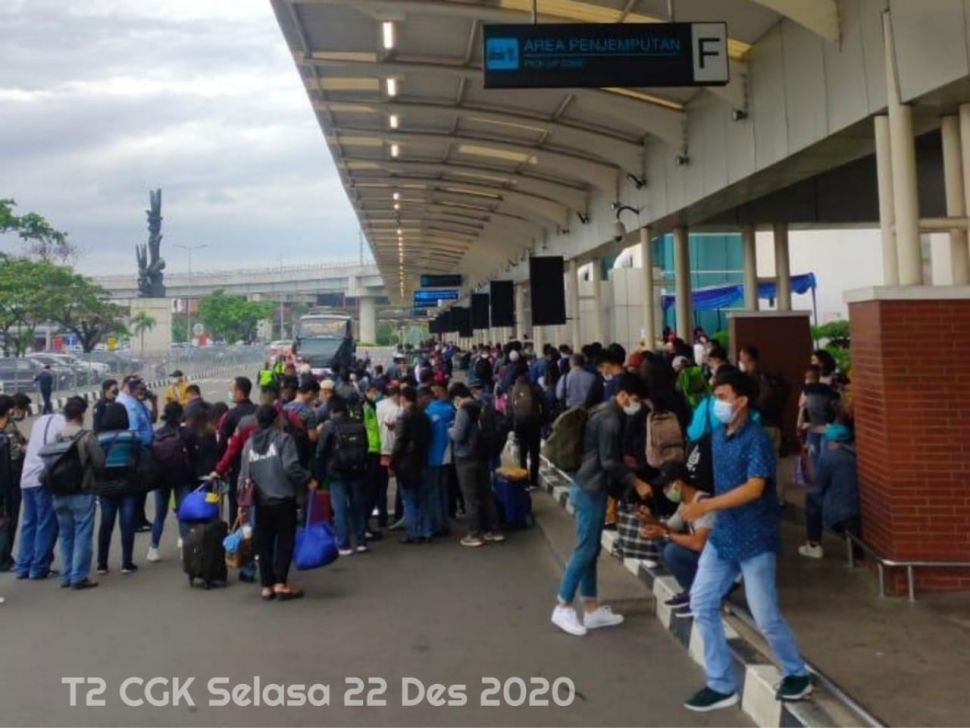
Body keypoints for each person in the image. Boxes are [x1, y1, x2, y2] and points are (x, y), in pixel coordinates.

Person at [680, 368, 810, 711]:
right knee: (701, 602)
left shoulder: (757, 439)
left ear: (741, 401)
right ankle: (721, 683)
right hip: (724, 536)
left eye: (721, 397)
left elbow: (755, 488)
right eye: (714, 396)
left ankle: (796, 672)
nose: (715, 403)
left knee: (765, 616)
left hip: (754, 537)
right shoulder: (720, 434)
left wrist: (707, 506)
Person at [552, 373, 653, 637]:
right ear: (623, 395)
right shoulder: (611, 419)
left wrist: (623, 462)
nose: (637, 405)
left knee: (592, 549)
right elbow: (608, 462)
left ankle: (592, 607)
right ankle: (563, 605)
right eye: (635, 399)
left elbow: (604, 455)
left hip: (589, 486)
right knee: (586, 549)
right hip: (591, 489)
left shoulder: (606, 412)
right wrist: (636, 481)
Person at [239, 404, 316, 601]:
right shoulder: (284, 439)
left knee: (263, 544)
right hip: (283, 499)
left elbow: (244, 476)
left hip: (260, 503)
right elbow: (291, 467)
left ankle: (266, 586)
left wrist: (242, 504)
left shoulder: (249, 445)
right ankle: (280, 583)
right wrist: (308, 479)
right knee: (284, 542)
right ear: (275, 420)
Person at [640, 463, 714, 613]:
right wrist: (651, 520)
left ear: (678, 483)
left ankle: (699, 595)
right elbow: (668, 528)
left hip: (718, 564)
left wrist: (665, 533)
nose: (665, 491)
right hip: (705, 559)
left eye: (667, 486)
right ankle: (691, 590)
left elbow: (699, 543)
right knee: (662, 540)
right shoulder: (685, 504)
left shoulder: (703, 503)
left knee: (672, 550)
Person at [51, 397, 106, 590]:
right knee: (83, 533)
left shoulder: (56, 436)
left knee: (66, 535)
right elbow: (99, 463)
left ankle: (66, 575)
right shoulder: (86, 436)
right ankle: (79, 576)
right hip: (82, 491)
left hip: (58, 492)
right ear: (82, 413)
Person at [449, 383, 503, 548]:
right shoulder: (483, 405)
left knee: (471, 498)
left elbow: (458, 436)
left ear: (457, 398)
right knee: (486, 494)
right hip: (483, 455)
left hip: (466, 458)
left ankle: (474, 533)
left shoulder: (464, 410)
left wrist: (449, 430)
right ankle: (494, 530)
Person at [799, 418, 859, 559]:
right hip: (859, 510)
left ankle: (813, 544)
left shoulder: (830, 458)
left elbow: (818, 488)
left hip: (840, 515)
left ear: (831, 441)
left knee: (812, 498)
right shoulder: (857, 454)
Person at [316, 396, 370, 555]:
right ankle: (361, 541)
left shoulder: (329, 426)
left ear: (332, 410)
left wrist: (319, 474)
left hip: (337, 471)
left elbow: (321, 451)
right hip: (358, 470)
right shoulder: (359, 425)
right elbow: (365, 446)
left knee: (340, 508)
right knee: (358, 506)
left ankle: (343, 544)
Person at [16, 408, 65, 580]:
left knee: (29, 523)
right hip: (42, 478)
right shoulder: (62, 423)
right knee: (46, 522)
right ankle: (39, 567)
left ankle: (23, 567)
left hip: (26, 477)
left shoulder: (39, 422)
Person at [94, 400, 139, 575]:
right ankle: (126, 562)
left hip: (106, 486)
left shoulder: (100, 439)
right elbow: (138, 458)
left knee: (106, 523)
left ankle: (102, 563)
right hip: (127, 485)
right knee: (127, 523)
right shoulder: (131, 437)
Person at [147, 402, 194, 563]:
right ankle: (185, 549)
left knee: (159, 515)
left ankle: (153, 549)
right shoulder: (186, 433)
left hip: (161, 479)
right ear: (180, 415)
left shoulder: (157, 433)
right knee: (183, 514)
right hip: (182, 478)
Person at [391, 386, 432, 544]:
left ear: (403, 398)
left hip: (406, 463)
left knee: (409, 500)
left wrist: (393, 460)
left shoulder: (403, 417)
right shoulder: (424, 416)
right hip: (422, 460)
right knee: (423, 499)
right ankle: (427, 531)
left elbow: (399, 441)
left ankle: (413, 533)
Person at [218, 377, 257, 524]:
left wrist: (221, 468)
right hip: (260, 466)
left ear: (239, 393)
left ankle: (237, 540)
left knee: (237, 505)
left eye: (231, 390)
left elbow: (223, 445)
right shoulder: (258, 411)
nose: (230, 393)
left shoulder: (230, 416)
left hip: (238, 469)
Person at [1, 392, 30, 569]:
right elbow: (15, 453)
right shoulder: (7, 429)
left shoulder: (10, 426)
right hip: (10, 477)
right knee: (8, 519)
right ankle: (4, 559)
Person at [424, 382, 455, 537]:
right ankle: (445, 523)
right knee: (443, 491)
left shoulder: (429, 411)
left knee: (433, 493)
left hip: (432, 457)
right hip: (447, 456)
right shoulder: (450, 409)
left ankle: (437, 525)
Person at [798, 365, 839, 477]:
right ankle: (827, 479)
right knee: (825, 454)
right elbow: (835, 406)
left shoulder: (806, 390)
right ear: (819, 376)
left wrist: (799, 425)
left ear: (807, 377)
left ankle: (818, 479)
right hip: (827, 427)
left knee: (814, 455)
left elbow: (802, 408)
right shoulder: (827, 389)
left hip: (812, 427)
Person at [510, 372, 545, 487]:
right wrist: (543, 420)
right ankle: (533, 481)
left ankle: (524, 479)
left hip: (520, 425)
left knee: (522, 453)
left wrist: (513, 427)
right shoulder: (535, 389)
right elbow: (545, 404)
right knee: (535, 453)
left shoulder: (514, 391)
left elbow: (510, 410)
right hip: (534, 424)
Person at [376, 384, 403, 529]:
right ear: (397, 395)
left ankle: (382, 517)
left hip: (379, 449)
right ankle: (399, 515)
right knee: (400, 485)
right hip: (393, 451)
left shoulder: (378, 405)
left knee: (381, 487)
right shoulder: (398, 410)